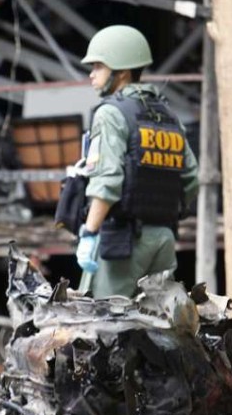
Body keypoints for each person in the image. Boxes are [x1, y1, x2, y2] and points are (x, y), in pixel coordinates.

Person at [74, 25, 198, 299]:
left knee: (106, 329)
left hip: (123, 242)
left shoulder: (111, 114)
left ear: (122, 71)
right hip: (164, 239)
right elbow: (191, 178)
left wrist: (89, 233)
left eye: (98, 66)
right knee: (159, 329)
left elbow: (107, 181)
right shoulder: (166, 115)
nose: (92, 74)